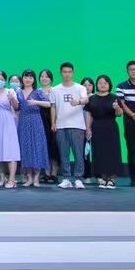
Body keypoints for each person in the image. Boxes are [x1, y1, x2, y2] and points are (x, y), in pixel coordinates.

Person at [50, 62, 89, 190]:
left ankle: (78, 179)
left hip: (77, 125)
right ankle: (66, 178)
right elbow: (53, 106)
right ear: (61, 73)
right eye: (65, 72)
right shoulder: (55, 89)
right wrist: (53, 122)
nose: (67, 74)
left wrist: (78, 102)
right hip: (61, 125)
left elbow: (86, 99)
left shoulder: (80, 88)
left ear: (73, 73)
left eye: (69, 72)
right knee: (64, 153)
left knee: (78, 153)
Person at [86, 74, 123, 189]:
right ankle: (102, 177)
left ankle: (112, 179)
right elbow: (88, 114)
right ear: (97, 85)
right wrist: (88, 128)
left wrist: (117, 107)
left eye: (105, 83)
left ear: (109, 85)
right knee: (99, 152)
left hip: (111, 127)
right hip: (96, 127)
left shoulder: (114, 97)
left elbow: (119, 114)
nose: (102, 85)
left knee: (112, 152)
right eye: (100, 83)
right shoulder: (92, 98)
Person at [16, 70, 51, 187]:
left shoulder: (38, 92)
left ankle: (36, 178)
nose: (28, 79)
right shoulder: (18, 92)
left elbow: (48, 104)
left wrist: (36, 102)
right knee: (25, 149)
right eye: (26, 77)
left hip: (36, 121)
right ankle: (29, 178)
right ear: (22, 79)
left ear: (34, 80)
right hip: (23, 122)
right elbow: (17, 107)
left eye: (31, 77)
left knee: (37, 148)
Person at [0, 70, 20, 189]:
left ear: (5, 81)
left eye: (2, 79)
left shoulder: (10, 91)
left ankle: (12, 179)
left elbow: (16, 107)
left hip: (7, 122)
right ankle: (2, 178)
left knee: (10, 150)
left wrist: (12, 99)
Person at [38, 69, 59, 183]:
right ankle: (46, 173)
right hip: (41, 122)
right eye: (42, 76)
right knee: (44, 147)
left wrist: (54, 122)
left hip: (54, 121)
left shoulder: (55, 91)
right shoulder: (37, 92)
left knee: (54, 147)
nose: (44, 78)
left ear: (51, 79)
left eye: (46, 76)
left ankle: (54, 174)